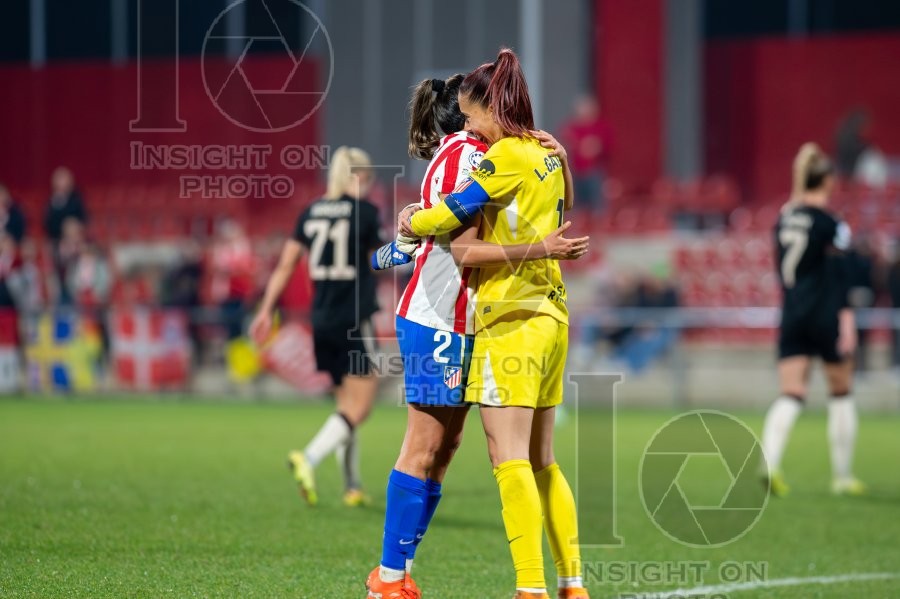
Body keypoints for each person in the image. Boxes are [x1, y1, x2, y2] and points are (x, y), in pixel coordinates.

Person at [366, 75, 588, 599]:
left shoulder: (505, 151)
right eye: (465, 116)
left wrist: (410, 228)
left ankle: (400, 570)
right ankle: (390, 579)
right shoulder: (467, 154)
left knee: (447, 448)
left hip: (479, 321)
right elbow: (462, 245)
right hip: (439, 320)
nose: (472, 124)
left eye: (475, 114)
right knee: (425, 447)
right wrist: (410, 230)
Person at [249, 147, 382, 507]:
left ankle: (352, 486)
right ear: (357, 176)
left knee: (345, 403)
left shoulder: (311, 212)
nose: (369, 186)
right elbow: (380, 260)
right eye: (366, 178)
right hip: (353, 318)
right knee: (361, 407)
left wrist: (265, 310)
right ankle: (308, 458)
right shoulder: (366, 213)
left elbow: (285, 265)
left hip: (321, 318)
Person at [760, 142, 865, 498]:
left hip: (792, 313)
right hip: (825, 313)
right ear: (829, 180)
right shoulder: (832, 224)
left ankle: (769, 463)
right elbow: (843, 274)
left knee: (791, 392)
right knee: (841, 390)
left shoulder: (784, 216)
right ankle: (842, 476)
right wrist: (846, 319)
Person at [558, 95, 613, 213]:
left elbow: (609, 147)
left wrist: (596, 147)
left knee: (597, 205)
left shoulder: (601, 127)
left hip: (594, 172)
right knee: (575, 205)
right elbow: (562, 144)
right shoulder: (571, 127)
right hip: (574, 172)